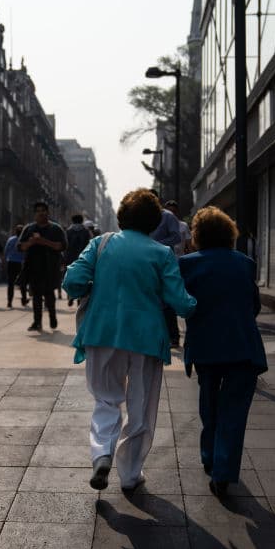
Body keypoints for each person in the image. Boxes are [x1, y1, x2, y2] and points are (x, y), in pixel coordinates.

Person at [63, 189, 197, 493]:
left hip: (101, 333)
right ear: (154, 222)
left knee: (106, 399)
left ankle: (102, 454)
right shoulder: (162, 254)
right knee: (141, 408)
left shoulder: (101, 243)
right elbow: (181, 302)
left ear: (122, 216)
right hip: (146, 337)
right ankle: (130, 474)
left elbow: (72, 281)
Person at [179, 206, 267, 497]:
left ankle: (210, 458)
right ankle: (223, 471)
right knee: (234, 411)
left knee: (210, 405)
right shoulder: (245, 263)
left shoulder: (187, 264)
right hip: (243, 346)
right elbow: (254, 306)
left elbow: (180, 304)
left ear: (198, 235)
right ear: (230, 233)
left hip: (206, 347)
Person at [19, 202, 66, 331]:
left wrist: (43, 241)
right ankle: (37, 322)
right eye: (38, 211)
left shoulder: (56, 229)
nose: (41, 213)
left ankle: (52, 317)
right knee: (36, 296)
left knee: (50, 295)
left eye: (43, 210)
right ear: (34, 214)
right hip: (33, 268)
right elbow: (21, 247)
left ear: (47, 212)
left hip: (50, 267)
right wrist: (31, 242)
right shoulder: (29, 229)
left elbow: (61, 246)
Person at [162, 200, 192, 347]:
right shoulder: (161, 224)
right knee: (169, 302)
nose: (171, 213)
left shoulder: (183, 226)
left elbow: (188, 245)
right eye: (168, 210)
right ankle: (173, 336)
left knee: (184, 300)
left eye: (173, 210)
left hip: (182, 265)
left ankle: (187, 334)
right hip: (167, 266)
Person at [63, 214, 92, 308]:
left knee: (69, 277)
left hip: (70, 258)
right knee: (82, 279)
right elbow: (89, 245)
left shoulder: (68, 231)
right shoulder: (85, 231)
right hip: (82, 258)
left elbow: (65, 246)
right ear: (82, 221)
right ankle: (79, 299)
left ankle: (70, 296)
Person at [4, 224, 29, 308]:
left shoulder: (10, 240)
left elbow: (6, 251)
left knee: (10, 283)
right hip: (21, 264)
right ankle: (24, 300)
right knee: (23, 283)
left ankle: (9, 302)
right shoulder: (25, 241)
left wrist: (5, 262)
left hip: (11, 262)